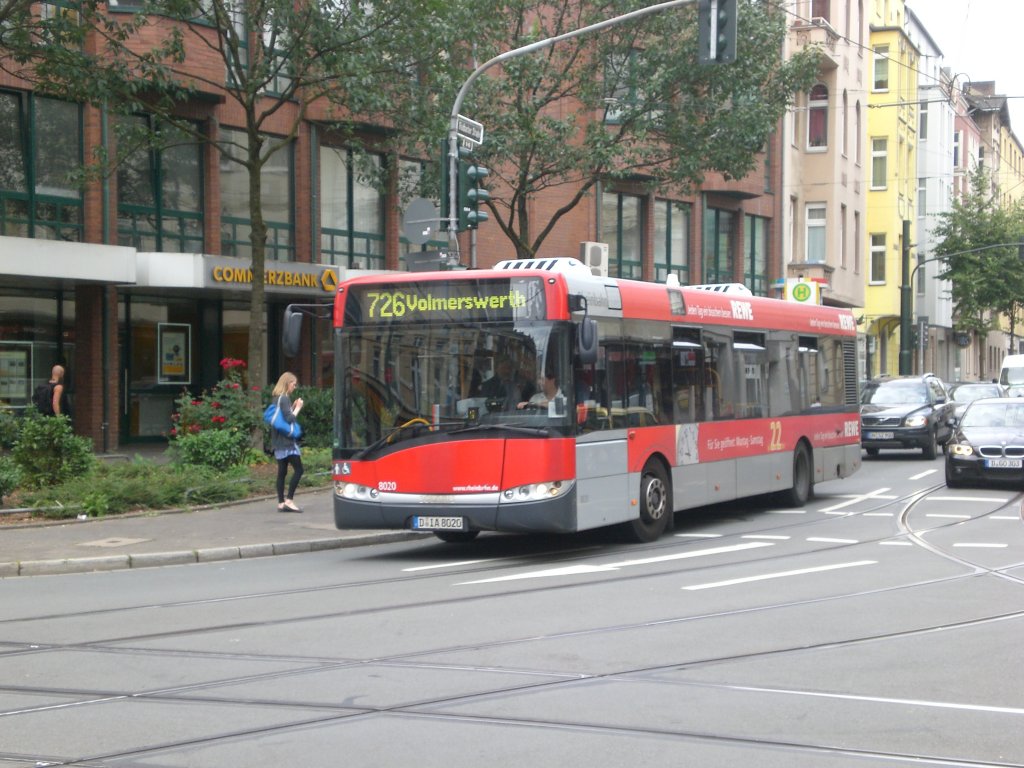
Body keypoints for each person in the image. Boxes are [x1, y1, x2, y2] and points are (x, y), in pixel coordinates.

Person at [270, 371, 304, 513]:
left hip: (278, 441)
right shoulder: (284, 398)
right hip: (287, 442)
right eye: (293, 384)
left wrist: (292, 408)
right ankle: (289, 500)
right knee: (299, 470)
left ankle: (281, 502)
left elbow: (282, 417)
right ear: (287, 383)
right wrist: (298, 408)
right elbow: (289, 419)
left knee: (282, 472)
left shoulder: (276, 398)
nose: (294, 387)